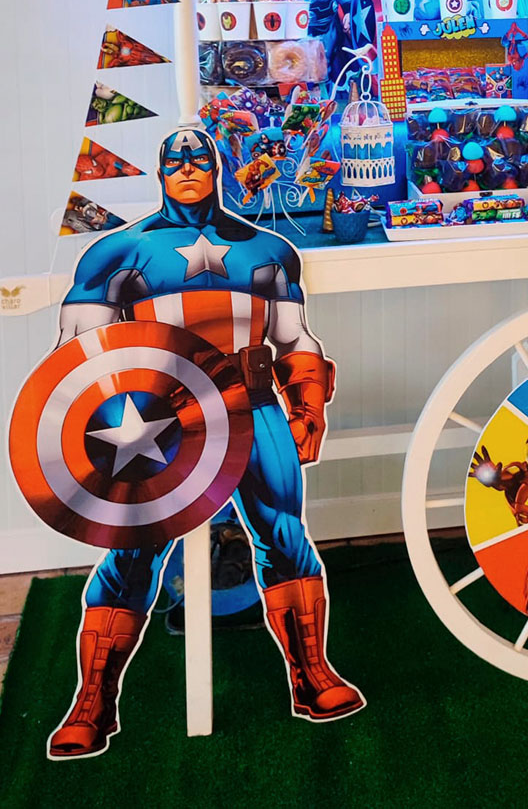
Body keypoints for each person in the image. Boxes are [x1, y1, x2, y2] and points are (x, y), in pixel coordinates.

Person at [47, 128, 363, 758]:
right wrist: (91, 435)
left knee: (284, 533)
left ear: (217, 168)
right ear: (160, 171)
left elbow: (294, 339)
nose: (188, 168)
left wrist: (307, 403)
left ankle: (312, 675)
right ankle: (92, 702)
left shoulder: (269, 250)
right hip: (160, 415)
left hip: (253, 400)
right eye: (176, 160)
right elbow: (78, 355)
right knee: (133, 549)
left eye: (199, 158)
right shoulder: (117, 253)